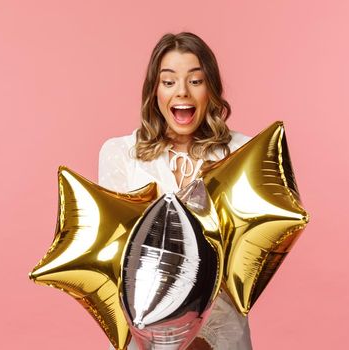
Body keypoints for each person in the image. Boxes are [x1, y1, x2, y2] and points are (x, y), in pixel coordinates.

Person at [99, 32, 254, 350]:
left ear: (210, 87)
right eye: (168, 82)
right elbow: (115, 254)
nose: (182, 91)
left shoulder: (242, 152)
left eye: (195, 81)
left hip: (223, 332)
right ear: (154, 90)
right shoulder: (120, 153)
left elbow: (256, 243)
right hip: (149, 334)